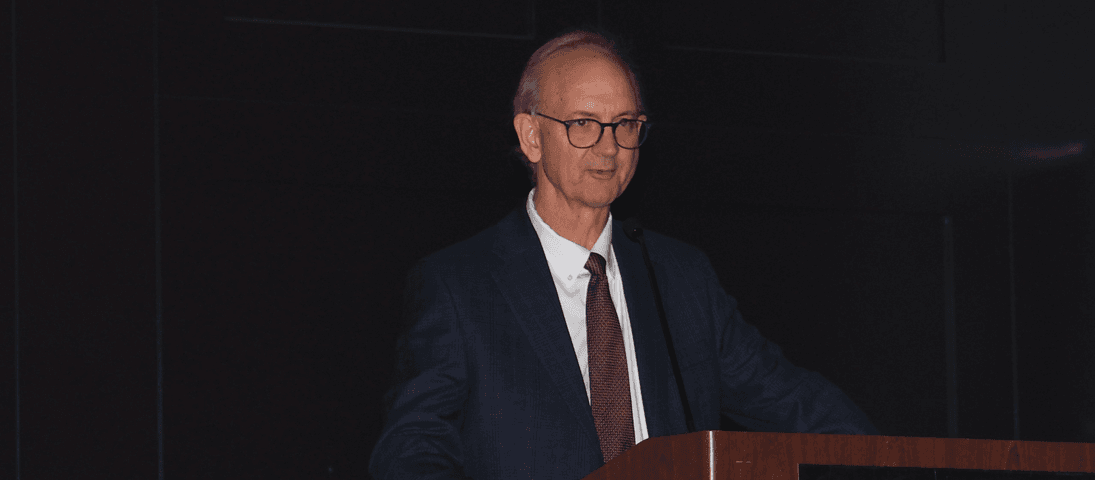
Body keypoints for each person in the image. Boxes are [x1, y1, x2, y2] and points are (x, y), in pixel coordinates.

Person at [369, 30, 878, 480]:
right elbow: (412, 450)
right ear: (531, 136)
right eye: (584, 123)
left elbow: (794, 404)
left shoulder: (680, 278)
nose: (609, 148)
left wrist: (894, 460)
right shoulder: (459, 285)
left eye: (625, 124)